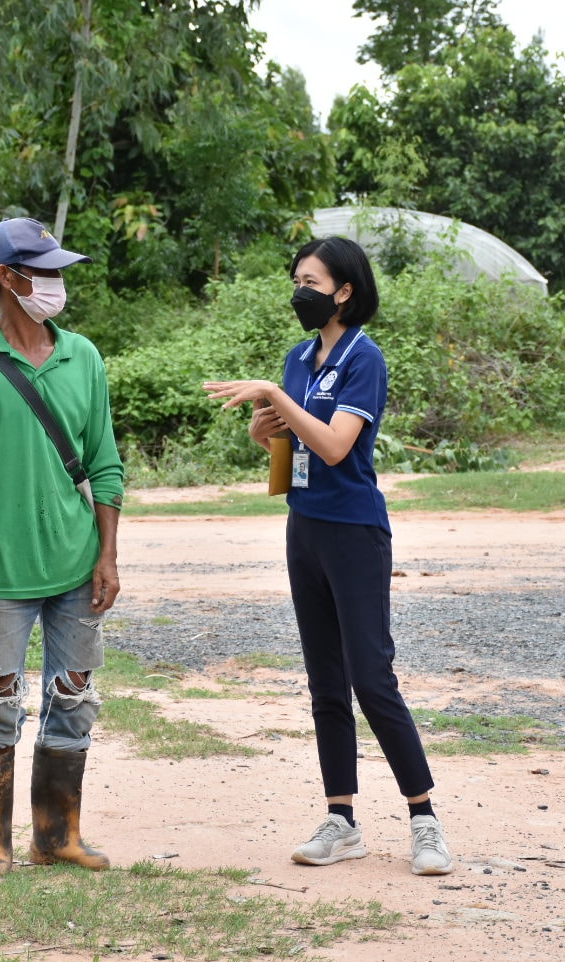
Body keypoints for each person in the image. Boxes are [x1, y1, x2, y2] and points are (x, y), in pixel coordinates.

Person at [203, 236, 453, 877]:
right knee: (324, 682)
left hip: (354, 533)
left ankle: (424, 820)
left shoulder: (364, 359)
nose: (300, 292)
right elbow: (295, 460)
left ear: (344, 290)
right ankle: (341, 819)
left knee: (372, 678)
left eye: (311, 282)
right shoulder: (297, 360)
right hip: (305, 528)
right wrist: (268, 438)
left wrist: (273, 396)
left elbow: (339, 447)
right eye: (296, 280)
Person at [0, 217, 124, 877]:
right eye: (45, 272)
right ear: (8, 279)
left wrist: (107, 554)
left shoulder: (84, 357)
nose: (58, 284)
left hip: (75, 564)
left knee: (75, 698)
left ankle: (55, 835)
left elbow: (105, 463)